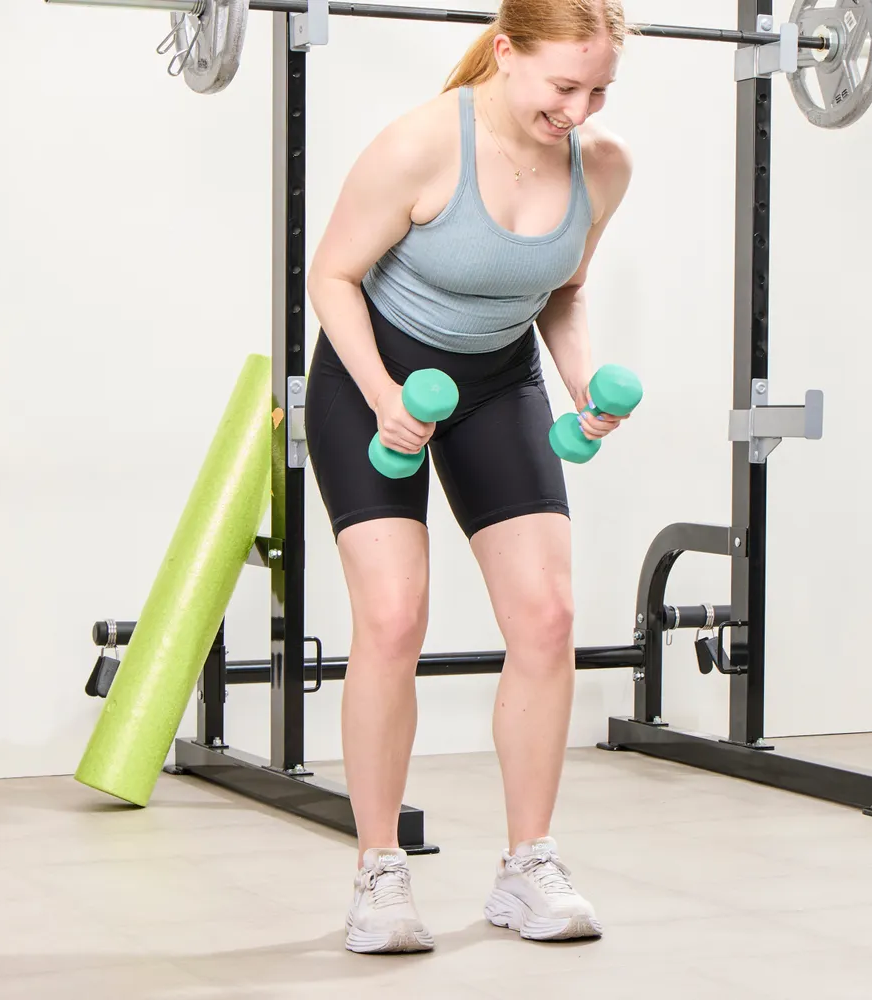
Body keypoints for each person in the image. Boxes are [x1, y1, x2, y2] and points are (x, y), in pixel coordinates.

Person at [302, 0, 634, 956]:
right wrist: (383, 396)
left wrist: (581, 386)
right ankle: (379, 872)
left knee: (548, 618)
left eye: (599, 90)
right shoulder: (420, 145)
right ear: (505, 51)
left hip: (497, 383)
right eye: (564, 86)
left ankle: (528, 864)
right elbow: (331, 276)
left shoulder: (603, 166)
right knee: (392, 617)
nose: (580, 110)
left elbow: (562, 291)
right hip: (373, 377)